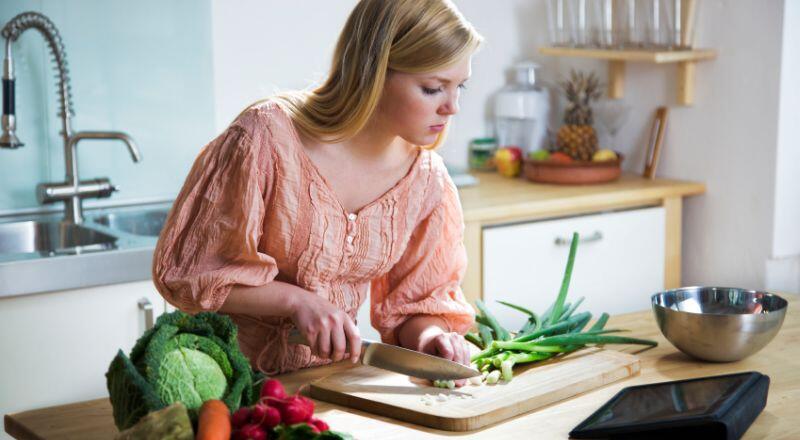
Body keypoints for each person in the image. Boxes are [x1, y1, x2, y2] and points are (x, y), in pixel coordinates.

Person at [152, 0, 483, 386]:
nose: (453, 107)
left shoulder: (427, 180)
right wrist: (296, 301)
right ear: (373, 73)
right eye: (432, 88)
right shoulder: (266, 139)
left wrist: (432, 339)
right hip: (216, 381)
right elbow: (187, 271)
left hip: (323, 387)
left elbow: (414, 305)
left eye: (460, 86)